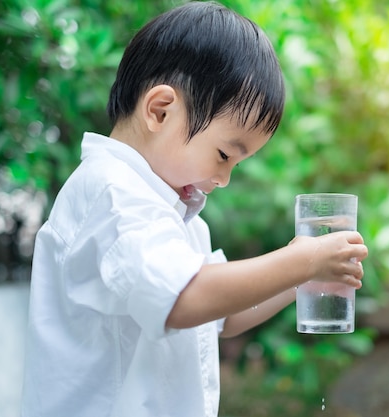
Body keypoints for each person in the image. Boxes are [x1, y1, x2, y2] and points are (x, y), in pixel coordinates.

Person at [21, 2, 368, 417]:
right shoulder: (112, 195)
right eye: (224, 154)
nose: (224, 178)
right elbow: (185, 298)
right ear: (160, 110)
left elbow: (221, 315)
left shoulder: (174, 211)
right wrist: (301, 260)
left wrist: (301, 278)